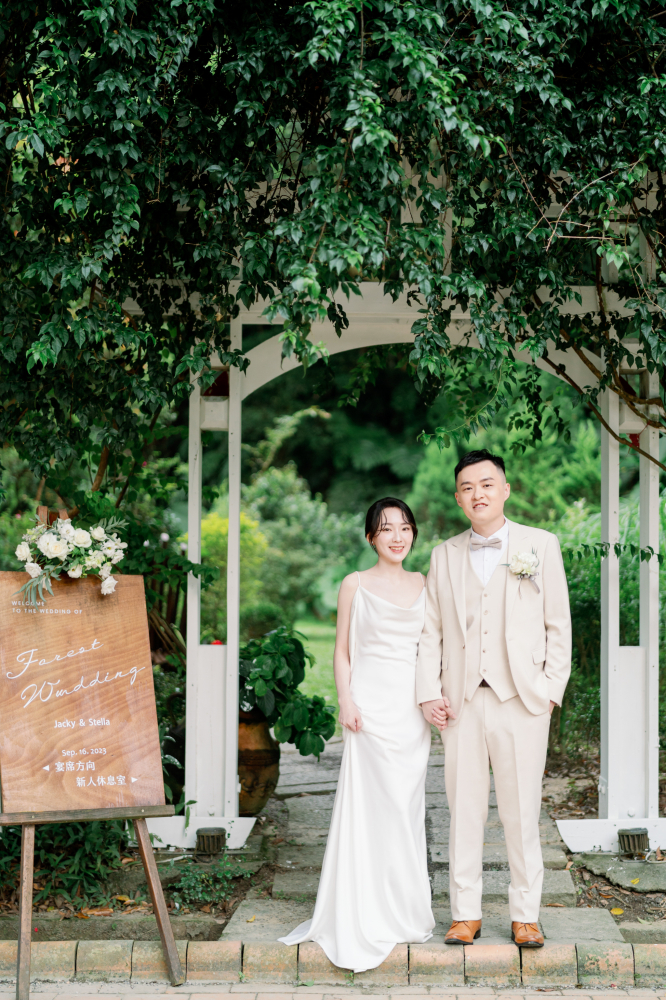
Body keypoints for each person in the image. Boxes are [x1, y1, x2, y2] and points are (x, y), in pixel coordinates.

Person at [416, 450, 571, 948]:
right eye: (467, 487)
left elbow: (557, 624)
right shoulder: (443, 554)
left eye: (486, 484)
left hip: (523, 700)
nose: (477, 493)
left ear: (505, 489)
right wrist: (428, 692)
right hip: (460, 702)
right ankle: (465, 913)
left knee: (521, 811)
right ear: (458, 498)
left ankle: (526, 913)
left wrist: (549, 690)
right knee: (463, 810)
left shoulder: (540, 546)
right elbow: (431, 633)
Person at [279, 497, 434, 972]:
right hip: (369, 707)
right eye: (386, 528)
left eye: (405, 527)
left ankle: (404, 910)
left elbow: (431, 647)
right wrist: (346, 700)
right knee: (368, 806)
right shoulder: (356, 584)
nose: (397, 536)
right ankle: (360, 908)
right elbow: (342, 650)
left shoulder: (425, 583)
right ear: (371, 536)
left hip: (410, 711)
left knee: (405, 806)